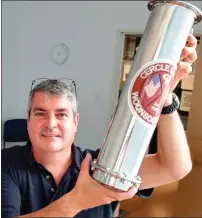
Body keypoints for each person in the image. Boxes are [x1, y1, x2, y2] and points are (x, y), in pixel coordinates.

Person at [2, 33, 197, 218]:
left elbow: (174, 167)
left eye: (61, 114)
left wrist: (164, 98)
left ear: (75, 122)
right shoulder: (6, 164)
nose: (51, 123)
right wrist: (78, 201)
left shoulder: (101, 166)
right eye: (40, 113)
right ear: (29, 121)